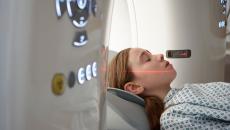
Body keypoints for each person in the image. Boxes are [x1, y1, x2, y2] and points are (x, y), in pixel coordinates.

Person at [108, 48, 230, 130]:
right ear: (135, 87)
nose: (160, 55)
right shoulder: (174, 118)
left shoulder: (185, 91)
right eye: (147, 59)